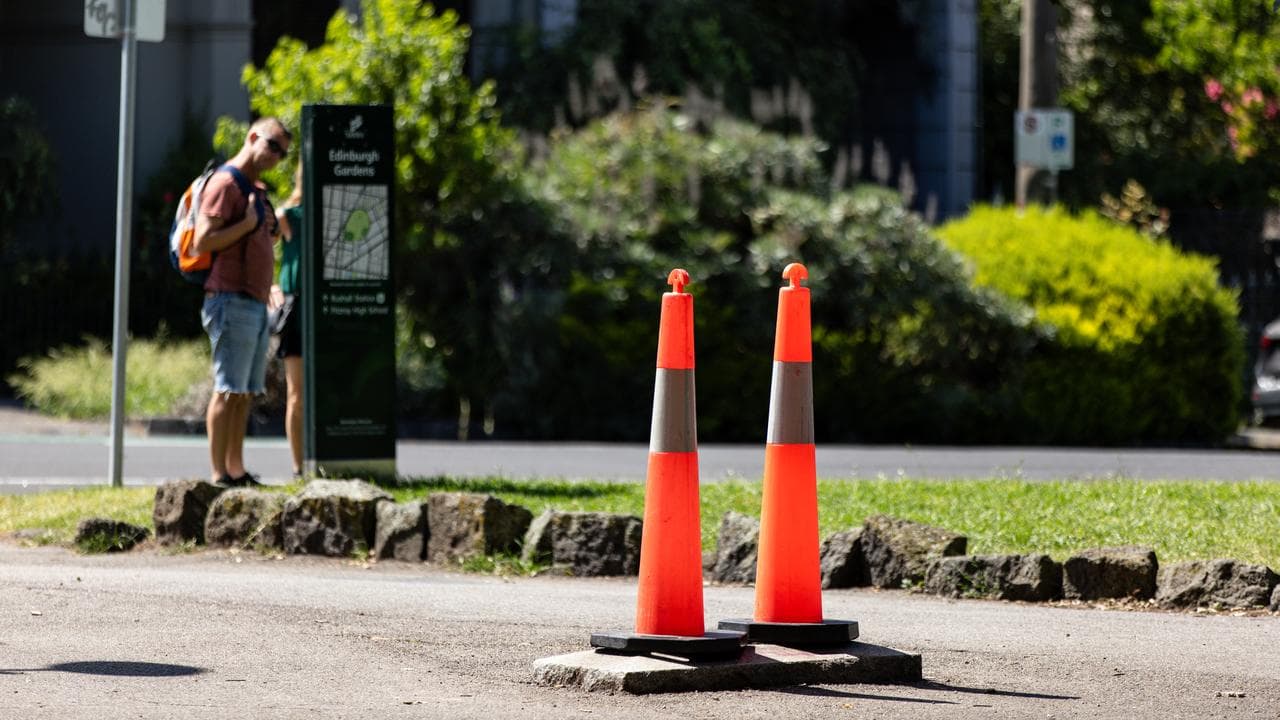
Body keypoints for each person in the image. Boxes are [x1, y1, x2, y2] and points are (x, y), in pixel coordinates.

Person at [192, 117, 290, 487]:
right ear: (252, 137)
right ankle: (219, 474)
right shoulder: (225, 183)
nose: (277, 156)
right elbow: (203, 240)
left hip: (253, 302)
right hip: (229, 300)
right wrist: (248, 225)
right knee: (227, 388)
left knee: (244, 392)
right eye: (273, 146)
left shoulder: (255, 188)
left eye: (282, 152)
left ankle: (236, 469)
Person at [272, 160, 305, 479]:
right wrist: (271, 285)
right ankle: (298, 467)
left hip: (328, 304)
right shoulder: (287, 216)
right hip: (296, 305)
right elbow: (263, 247)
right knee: (297, 390)